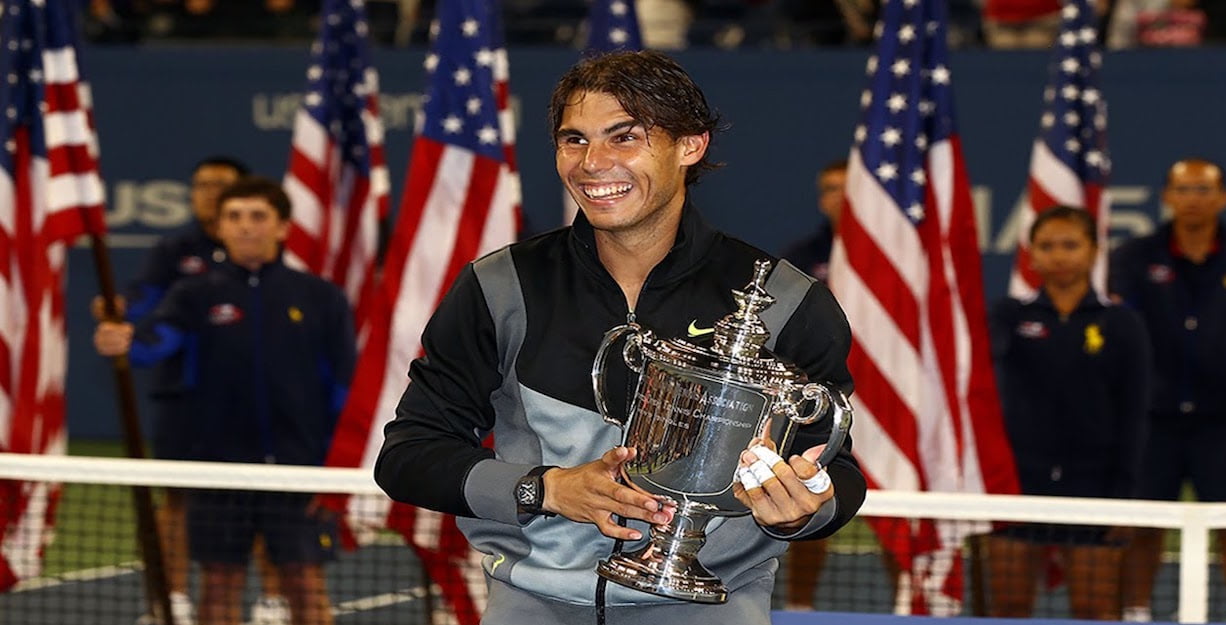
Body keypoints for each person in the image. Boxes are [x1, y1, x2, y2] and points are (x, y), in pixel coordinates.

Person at [373, 50, 866, 625]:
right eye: (574, 140)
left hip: (710, 606)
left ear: (690, 145)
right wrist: (546, 490)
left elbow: (837, 470)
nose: (592, 163)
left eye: (624, 137)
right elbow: (407, 454)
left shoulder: (787, 301)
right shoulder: (500, 286)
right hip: (531, 605)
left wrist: (803, 510)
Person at [95, 176, 355, 625]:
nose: (245, 227)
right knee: (217, 588)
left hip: (297, 472)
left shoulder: (320, 297)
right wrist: (122, 340)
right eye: (234, 217)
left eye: (258, 217)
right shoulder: (195, 295)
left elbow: (343, 389)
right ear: (220, 228)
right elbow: (151, 344)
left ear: (282, 227)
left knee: (304, 588)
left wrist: (335, 469)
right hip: (217, 471)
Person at [984, 206, 1150, 620]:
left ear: (1094, 251)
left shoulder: (1122, 324)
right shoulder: (1006, 316)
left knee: (1094, 610)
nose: (1059, 255)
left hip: (1095, 485)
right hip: (1017, 483)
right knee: (1008, 607)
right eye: (1047, 246)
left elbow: (1133, 415)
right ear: (1032, 255)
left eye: (1071, 245)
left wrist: (1123, 500)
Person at [1111, 158, 1226, 624]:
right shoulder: (1133, 259)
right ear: (1167, 197)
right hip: (1152, 423)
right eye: (1184, 189)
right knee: (1144, 524)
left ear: (1224, 198)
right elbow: (1120, 339)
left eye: (1203, 189)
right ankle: (1135, 612)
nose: (1194, 199)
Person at [778, 157, 847, 611]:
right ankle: (800, 609)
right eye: (828, 189)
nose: (836, 198)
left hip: (892, 404)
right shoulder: (799, 259)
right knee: (807, 492)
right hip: (822, 395)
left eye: (846, 187)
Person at [781, 159, 846, 283]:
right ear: (822, 201)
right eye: (832, 189)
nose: (841, 196)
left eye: (848, 187)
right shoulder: (800, 256)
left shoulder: (889, 250)